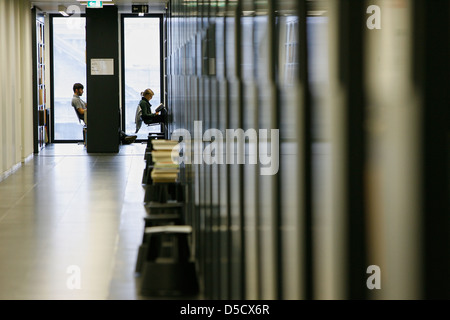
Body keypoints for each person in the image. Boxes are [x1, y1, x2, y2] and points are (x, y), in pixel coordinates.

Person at [71, 83, 137, 145]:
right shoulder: (75, 99)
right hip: (88, 118)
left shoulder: (78, 99)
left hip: (90, 117)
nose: (82, 91)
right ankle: (123, 138)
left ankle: (124, 137)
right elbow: (81, 111)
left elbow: (86, 105)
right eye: (81, 90)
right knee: (109, 121)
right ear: (76, 90)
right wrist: (92, 109)